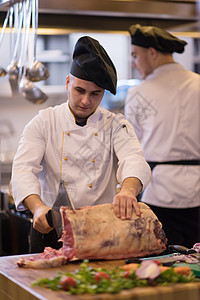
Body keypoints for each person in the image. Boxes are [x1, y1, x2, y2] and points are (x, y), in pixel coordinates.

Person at [11, 36, 151, 253]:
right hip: (50, 228)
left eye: (95, 94)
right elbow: (23, 170)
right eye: (80, 91)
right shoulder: (44, 122)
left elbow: (133, 158)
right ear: (68, 82)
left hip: (101, 231)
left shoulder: (116, 124)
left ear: (103, 93)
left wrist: (128, 190)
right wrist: (37, 208)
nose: (86, 101)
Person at [124, 24, 200, 248]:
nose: (134, 63)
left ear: (152, 53)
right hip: (198, 190)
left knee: (163, 263)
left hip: (159, 192)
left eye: (135, 56)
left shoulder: (138, 93)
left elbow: (132, 148)